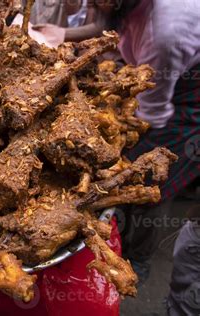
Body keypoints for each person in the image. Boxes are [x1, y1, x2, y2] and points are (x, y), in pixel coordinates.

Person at [92, 0, 200, 284]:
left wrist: (121, 149)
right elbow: (115, 36)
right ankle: (123, 229)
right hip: (158, 82)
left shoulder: (164, 33)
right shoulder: (124, 9)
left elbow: (152, 113)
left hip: (184, 100)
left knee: (152, 185)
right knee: (128, 175)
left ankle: (139, 259)